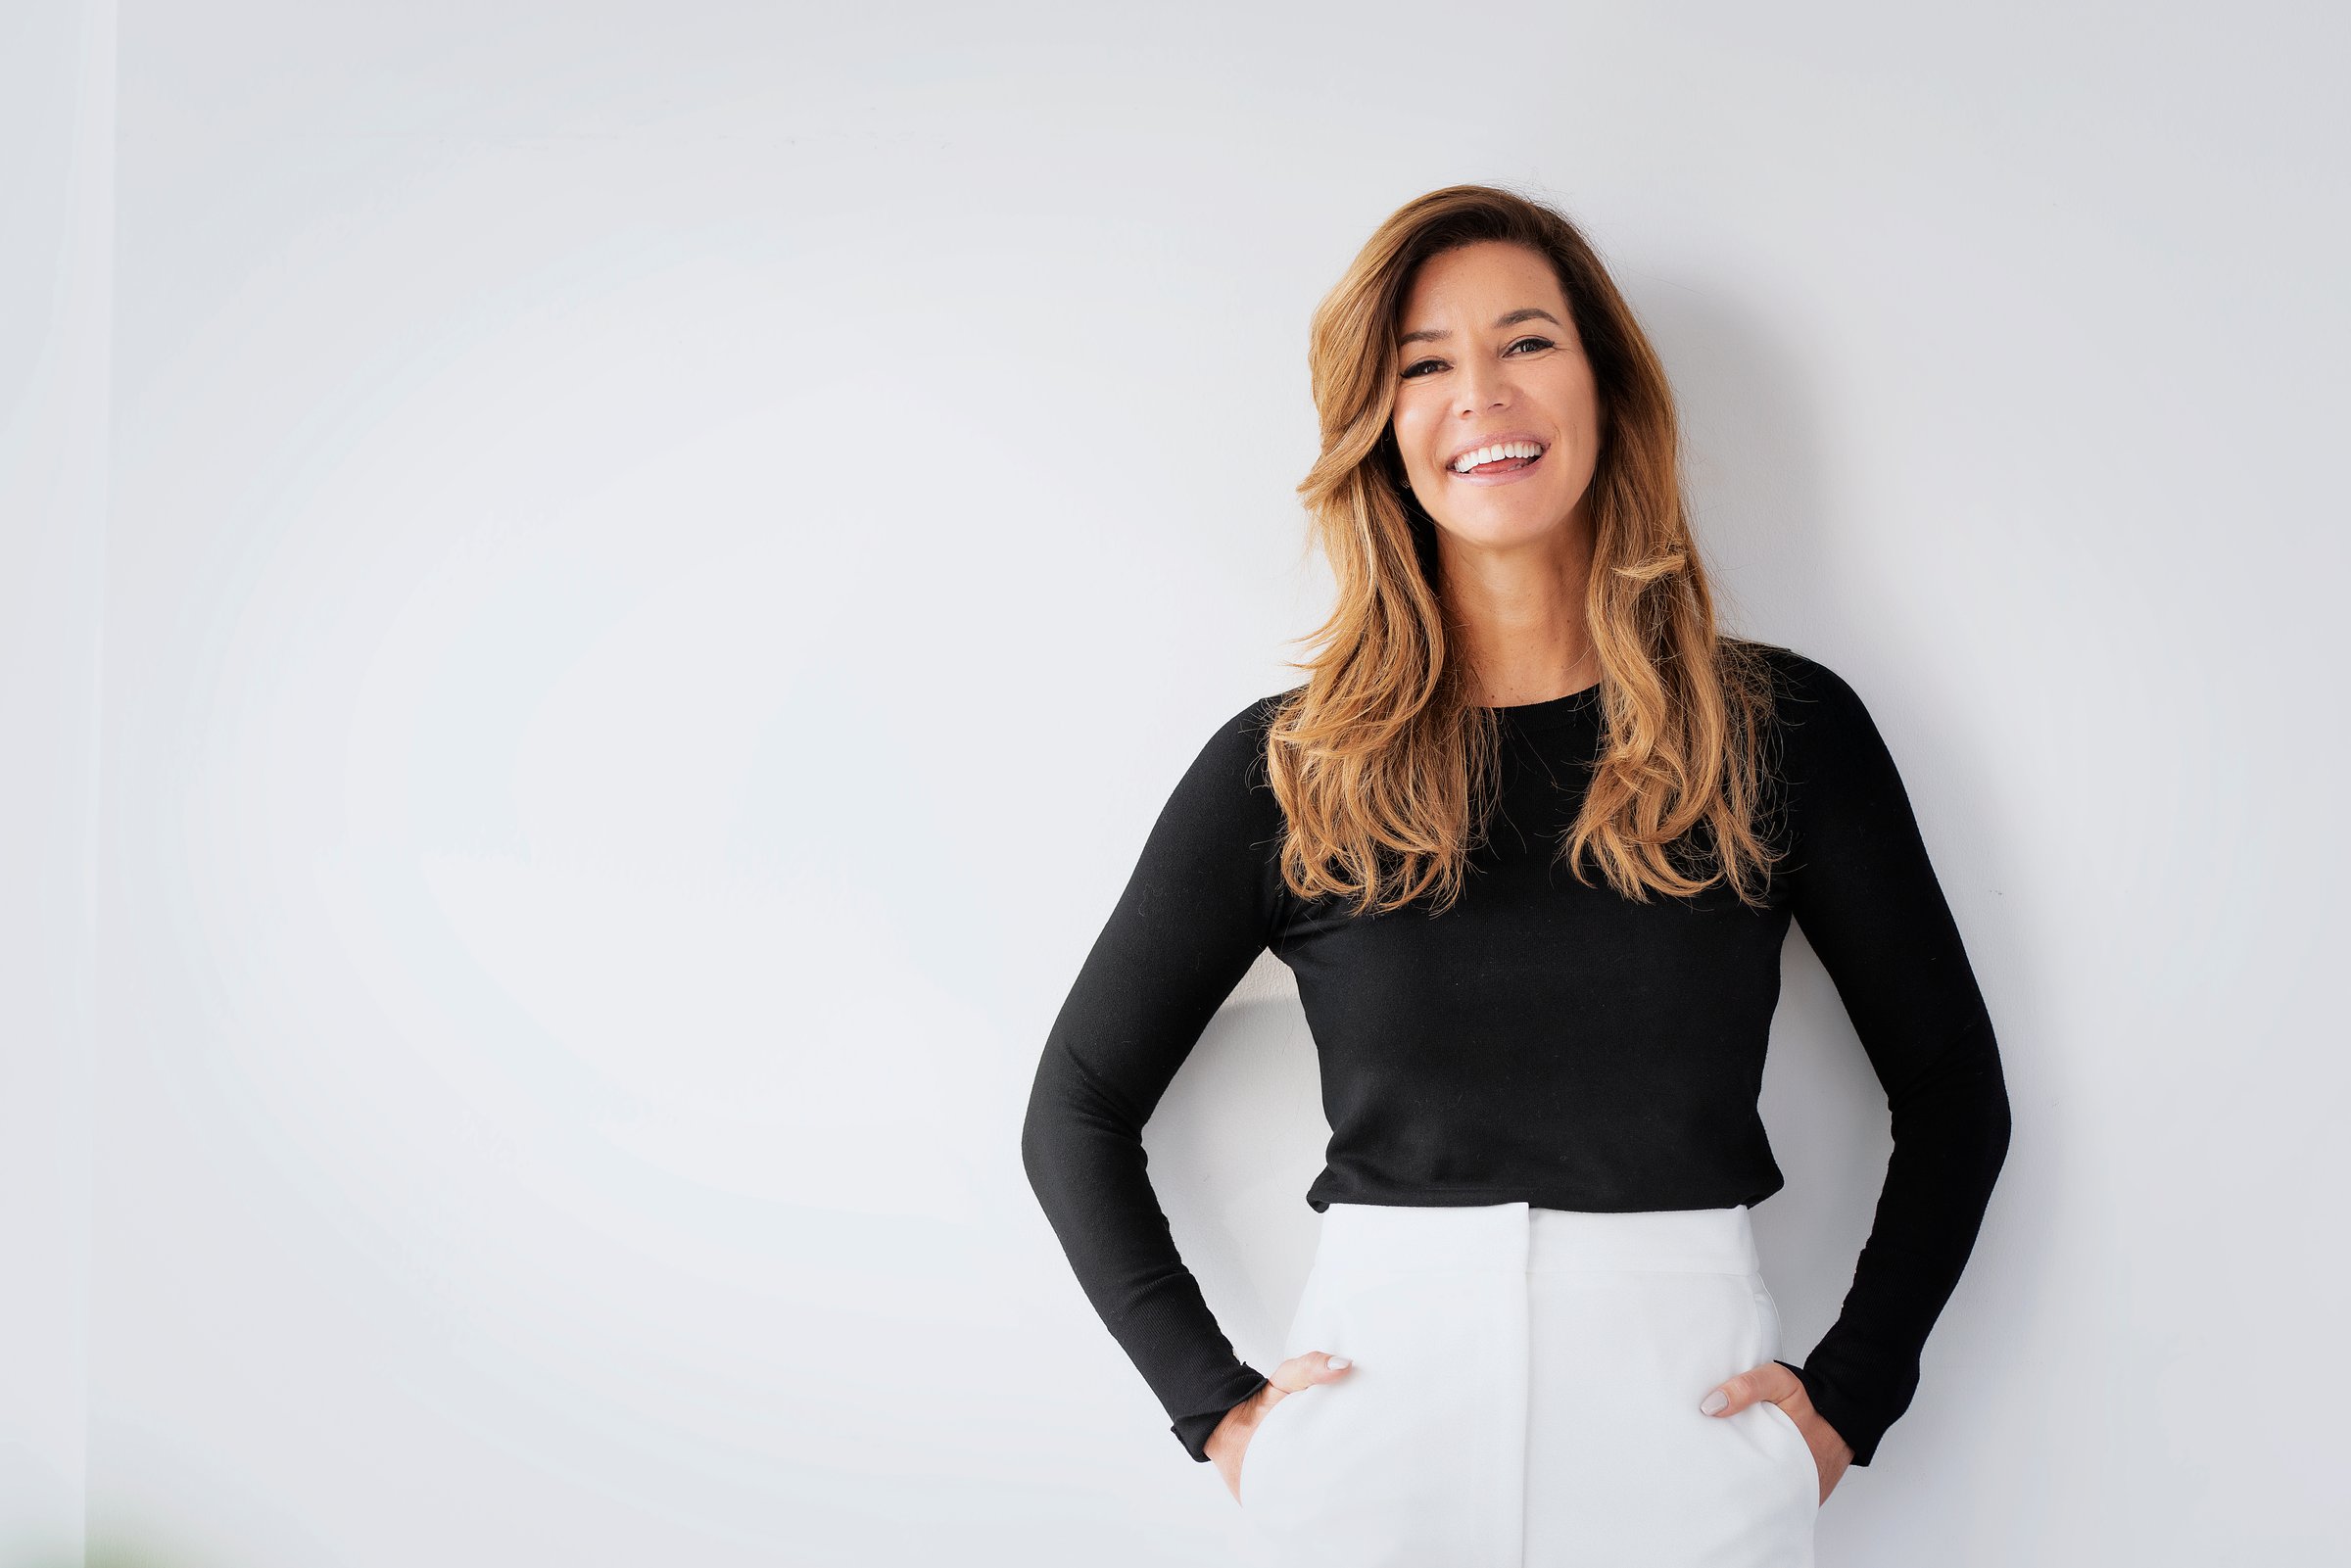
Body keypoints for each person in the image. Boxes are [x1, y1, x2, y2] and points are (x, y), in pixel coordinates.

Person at [1019, 184, 2012, 1568]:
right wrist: (1223, 1415)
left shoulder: (1780, 731)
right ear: (1381, 428)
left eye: (1526, 342)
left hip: (1691, 1443)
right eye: (1424, 363)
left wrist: (1841, 1412)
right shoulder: (1295, 766)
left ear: (1605, 386)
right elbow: (1073, 1107)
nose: (1480, 392)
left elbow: (1957, 1095)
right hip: (1372, 1447)